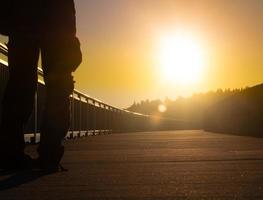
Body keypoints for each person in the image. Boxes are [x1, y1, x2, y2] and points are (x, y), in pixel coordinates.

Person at [0, 0, 82, 171]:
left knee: (20, 87)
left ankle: (12, 154)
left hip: (23, 18)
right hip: (53, 19)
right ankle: (48, 155)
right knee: (57, 89)